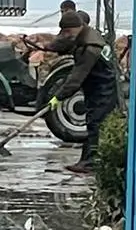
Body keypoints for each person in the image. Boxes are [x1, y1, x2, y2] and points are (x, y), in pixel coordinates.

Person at [48, 10, 118, 173]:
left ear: (78, 27)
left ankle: (90, 162)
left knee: (95, 124)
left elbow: (76, 77)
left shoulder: (90, 47)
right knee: (91, 122)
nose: (66, 35)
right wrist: (45, 46)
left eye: (67, 32)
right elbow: (63, 43)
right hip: (93, 87)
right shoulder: (85, 34)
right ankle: (85, 160)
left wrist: (58, 97)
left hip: (104, 88)